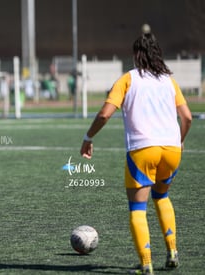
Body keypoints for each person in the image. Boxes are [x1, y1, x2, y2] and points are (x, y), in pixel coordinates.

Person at [80, 33, 192, 275]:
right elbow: (187, 117)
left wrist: (88, 138)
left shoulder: (128, 79)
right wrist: (179, 141)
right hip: (172, 150)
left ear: (135, 55)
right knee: (162, 197)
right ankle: (172, 252)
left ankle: (146, 264)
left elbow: (104, 114)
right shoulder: (168, 80)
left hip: (143, 150)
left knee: (137, 208)